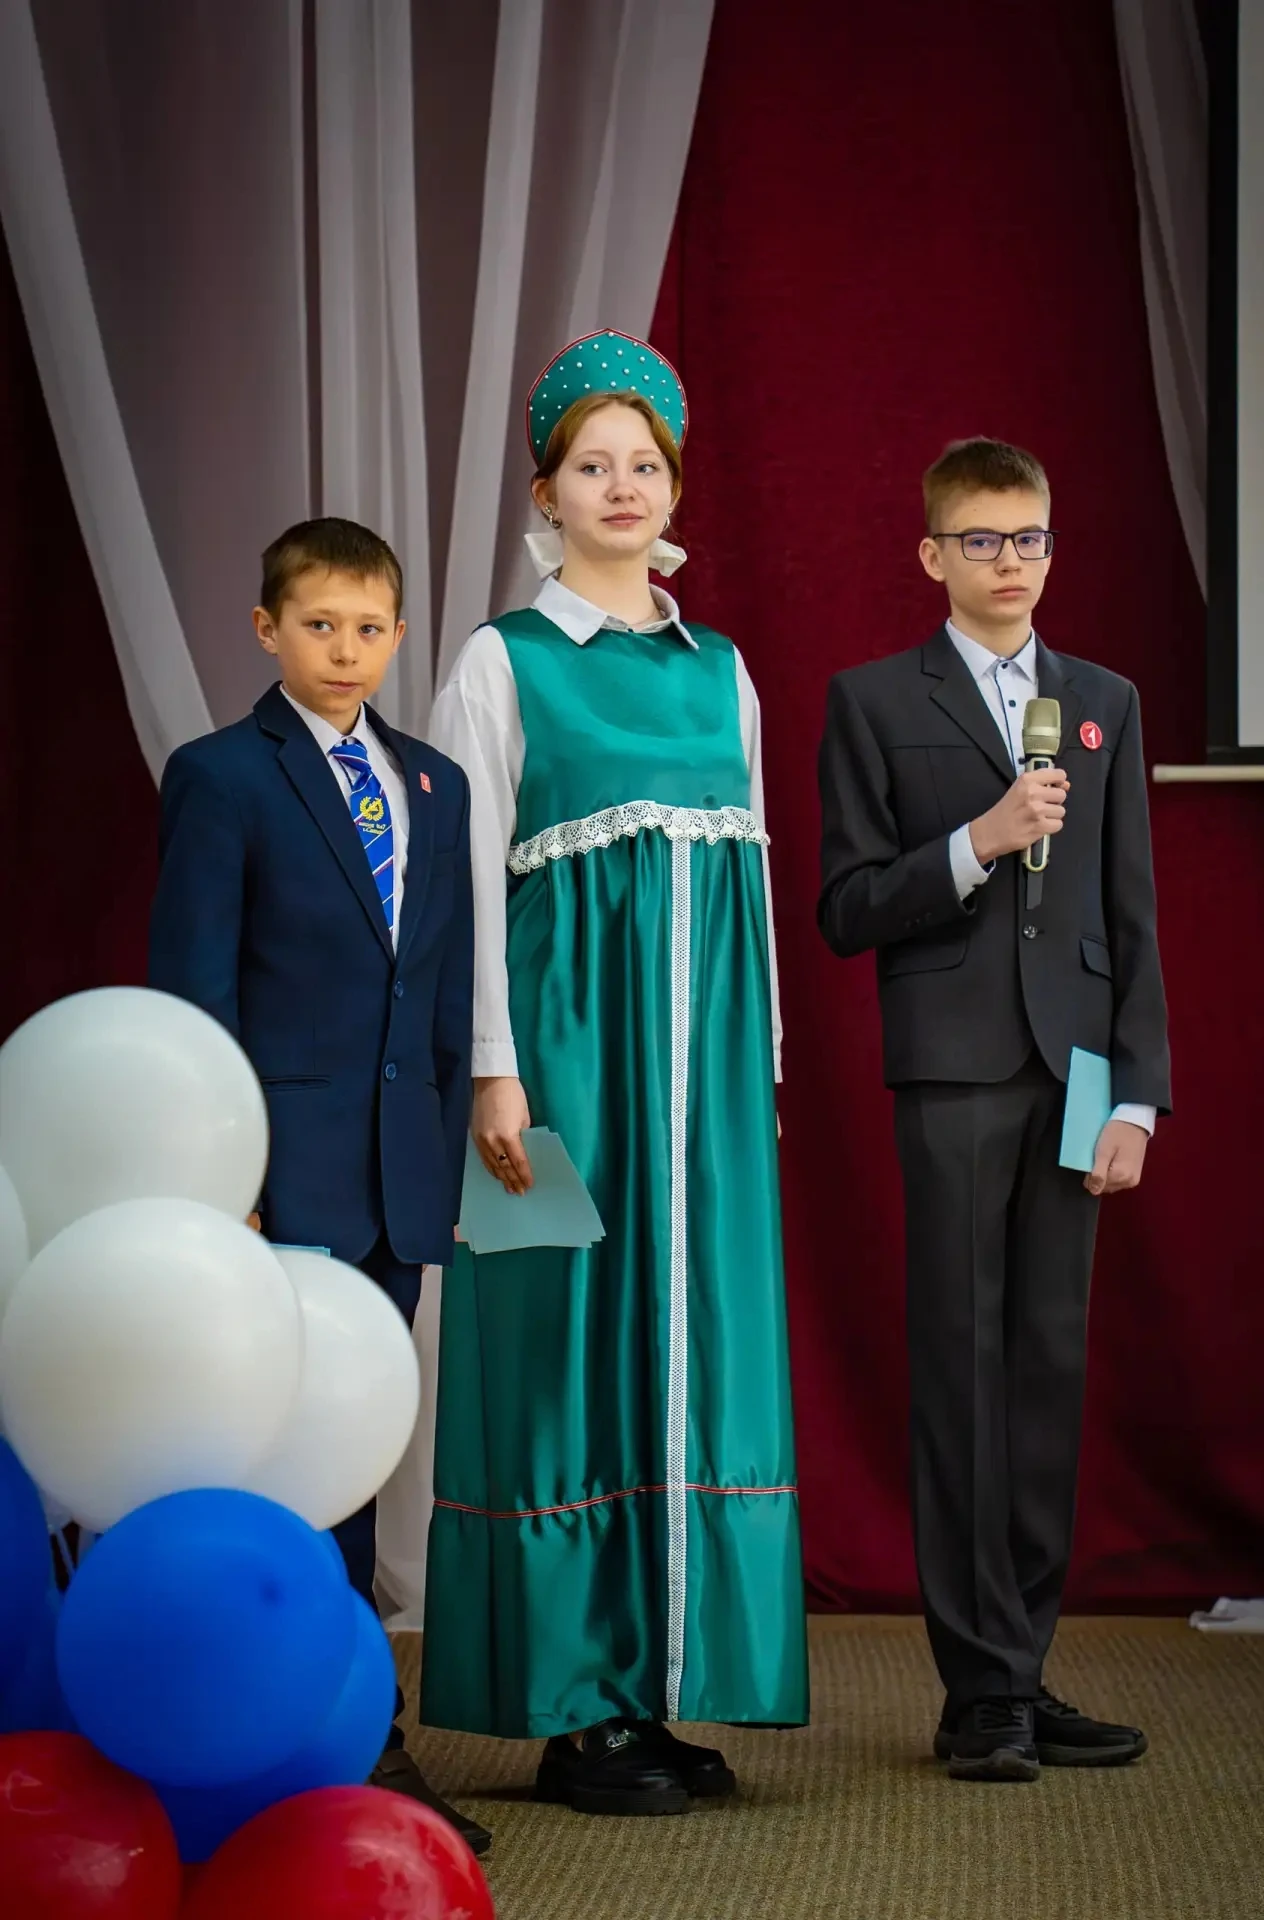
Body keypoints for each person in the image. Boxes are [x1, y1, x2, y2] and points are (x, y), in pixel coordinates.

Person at [423, 330, 807, 1816]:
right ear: (548, 490)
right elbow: (463, 882)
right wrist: (494, 1073)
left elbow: (754, 881)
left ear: (675, 485)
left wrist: (759, 1066)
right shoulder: (500, 660)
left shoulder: (722, 670)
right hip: (560, 1068)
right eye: (594, 465)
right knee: (560, 1350)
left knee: (692, 1349)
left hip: (706, 1083)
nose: (623, 487)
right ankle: (574, 1711)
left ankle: (661, 1686)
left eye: (646, 464)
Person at [816, 438, 1170, 1783]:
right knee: (962, 1373)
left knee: (1048, 1375)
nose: (1011, 562)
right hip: (954, 1073)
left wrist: (1139, 1094)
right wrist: (981, 840)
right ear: (932, 555)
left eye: (1030, 539)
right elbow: (847, 906)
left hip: (1076, 1079)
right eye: (982, 540)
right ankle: (978, 1692)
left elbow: (1131, 913)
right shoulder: (871, 700)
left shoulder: (1103, 702)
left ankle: (1022, 1666)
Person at [147, 517, 487, 1853]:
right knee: (294, 1461)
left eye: (369, 628)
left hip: (398, 1181)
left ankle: (351, 1727)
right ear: (267, 630)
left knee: (361, 1445)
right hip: (281, 1181)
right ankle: (337, 1742)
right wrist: (220, 1173)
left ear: (399, 634)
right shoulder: (222, 776)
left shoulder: (435, 784)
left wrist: (448, 1160)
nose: (346, 650)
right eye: (319, 625)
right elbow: (196, 994)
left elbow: (443, 995)